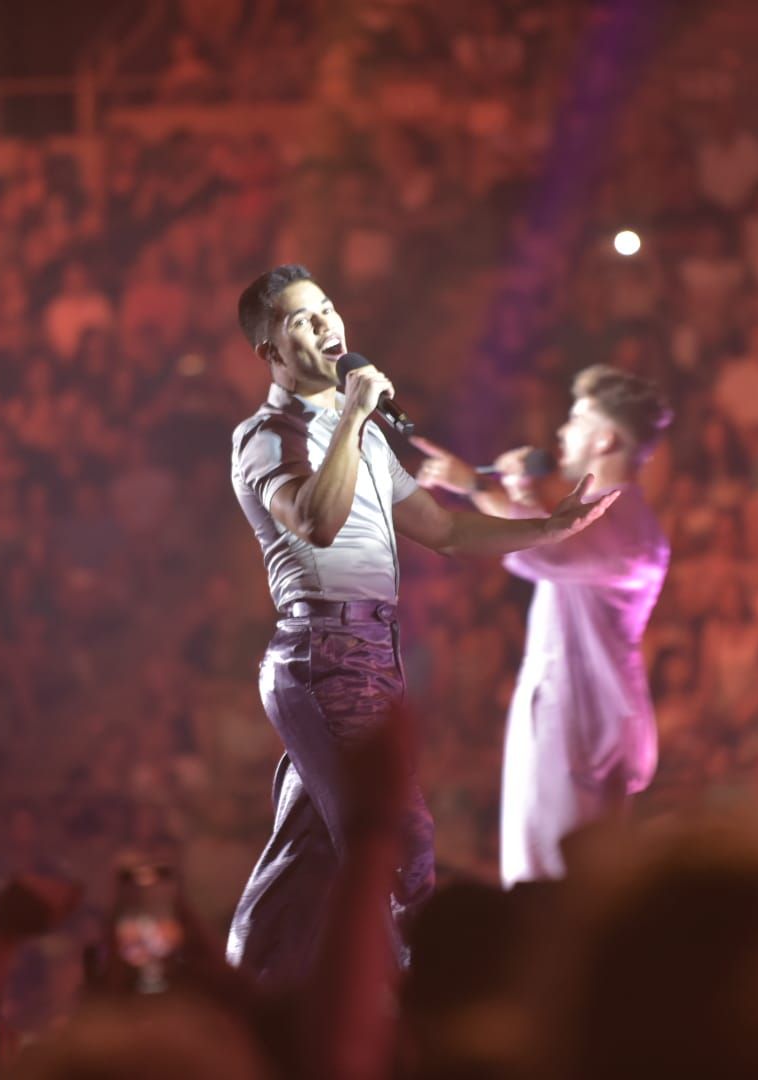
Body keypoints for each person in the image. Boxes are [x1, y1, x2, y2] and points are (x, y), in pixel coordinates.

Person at [227, 264, 611, 983]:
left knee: (301, 858)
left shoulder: (363, 434)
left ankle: (238, 999)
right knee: (404, 844)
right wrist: (350, 416)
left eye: (327, 309)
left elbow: (445, 531)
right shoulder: (267, 436)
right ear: (270, 353)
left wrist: (547, 529)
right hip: (324, 651)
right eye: (302, 321)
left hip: (374, 650)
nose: (326, 325)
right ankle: (433, 1011)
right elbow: (316, 518)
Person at [415, 365, 671, 884]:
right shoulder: (603, 514)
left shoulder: (626, 531)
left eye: (576, 420)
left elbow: (540, 548)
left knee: (556, 886)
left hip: (580, 724)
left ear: (604, 438)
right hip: (567, 712)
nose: (561, 432)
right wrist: (482, 486)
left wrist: (488, 488)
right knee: (543, 877)